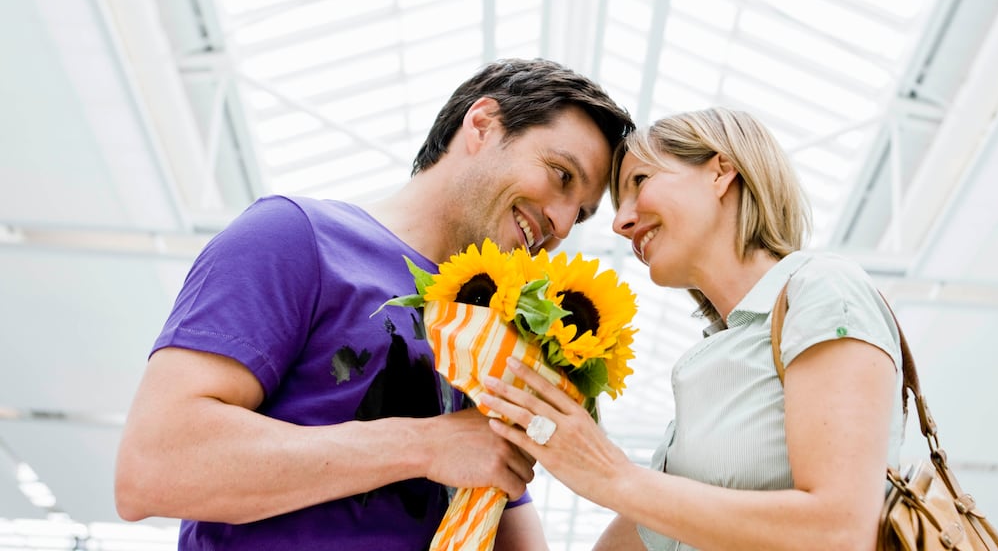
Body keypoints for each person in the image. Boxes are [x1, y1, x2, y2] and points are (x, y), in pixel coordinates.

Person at [114, 59, 635, 550]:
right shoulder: (297, 237)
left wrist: (661, 492)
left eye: (582, 214)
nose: (562, 225)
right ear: (482, 124)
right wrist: (426, 446)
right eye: (561, 175)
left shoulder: (496, 331)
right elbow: (153, 464)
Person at [479, 107, 904, 551]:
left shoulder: (822, 289)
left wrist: (610, 475)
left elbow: (840, 532)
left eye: (640, 181)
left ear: (721, 173)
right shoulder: (711, 369)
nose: (620, 223)